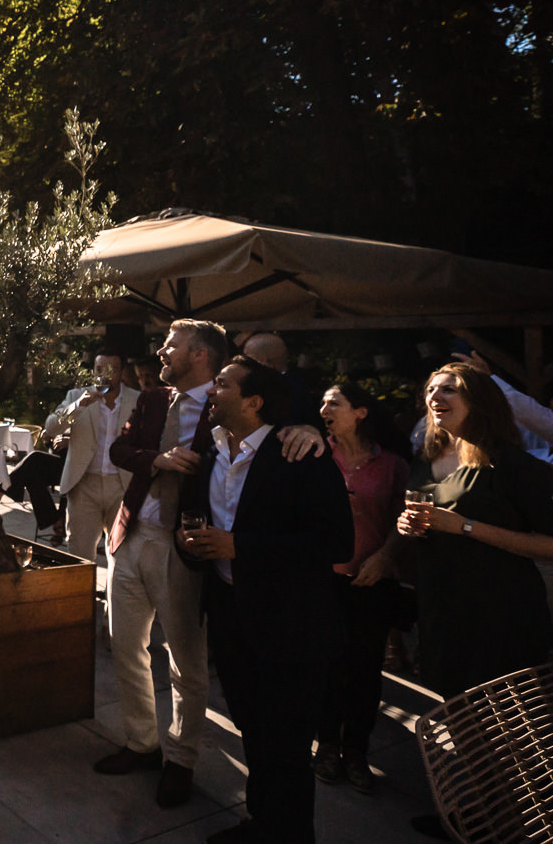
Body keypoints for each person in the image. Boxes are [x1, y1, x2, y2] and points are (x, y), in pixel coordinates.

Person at [179, 357, 353, 844]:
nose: (211, 390)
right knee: (253, 732)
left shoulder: (298, 453)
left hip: (291, 626)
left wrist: (242, 547)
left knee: (286, 745)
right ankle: (263, 825)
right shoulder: (211, 451)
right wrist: (189, 544)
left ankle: (292, 836)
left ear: (253, 402)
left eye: (222, 384)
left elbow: (337, 543)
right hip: (232, 616)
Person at [95, 319, 228, 809]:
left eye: (171, 346)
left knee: (186, 662)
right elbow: (120, 449)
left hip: (184, 547)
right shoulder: (152, 399)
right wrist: (158, 458)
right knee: (125, 645)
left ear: (199, 355)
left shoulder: (226, 404)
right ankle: (141, 742)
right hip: (129, 536)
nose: (161, 352)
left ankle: (181, 760)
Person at [397, 363, 553, 696]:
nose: (434, 395)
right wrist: (405, 524)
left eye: (448, 389)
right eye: (430, 390)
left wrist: (465, 526)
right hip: (441, 610)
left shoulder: (511, 464)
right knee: (458, 721)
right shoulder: (425, 459)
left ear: (479, 401)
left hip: (500, 614)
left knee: (512, 729)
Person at [312, 382, 409, 794]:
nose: (323, 408)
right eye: (323, 402)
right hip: (322, 579)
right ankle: (327, 746)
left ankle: (356, 751)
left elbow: (403, 520)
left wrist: (386, 556)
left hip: (371, 580)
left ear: (361, 412)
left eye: (333, 402)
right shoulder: (316, 455)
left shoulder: (391, 465)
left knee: (365, 670)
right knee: (326, 665)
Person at [11, 351, 139, 557]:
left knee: (123, 553)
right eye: (99, 370)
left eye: (111, 370)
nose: (104, 375)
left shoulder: (137, 400)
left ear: (121, 372)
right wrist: (78, 406)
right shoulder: (76, 396)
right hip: (84, 485)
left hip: (122, 485)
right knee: (79, 553)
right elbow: (51, 429)